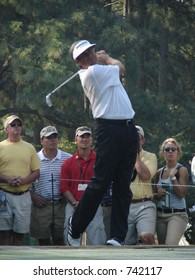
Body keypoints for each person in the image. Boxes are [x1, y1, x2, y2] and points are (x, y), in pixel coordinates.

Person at [67, 39, 138, 246]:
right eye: (83, 56)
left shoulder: (100, 70)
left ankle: (117, 236)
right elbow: (121, 67)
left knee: (123, 184)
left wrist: (103, 61)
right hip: (108, 129)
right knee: (101, 182)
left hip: (128, 128)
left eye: (90, 51)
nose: (89, 55)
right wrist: (106, 58)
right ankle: (76, 225)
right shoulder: (92, 73)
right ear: (79, 63)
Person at [60, 126, 106, 245]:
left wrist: (90, 203)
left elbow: (104, 184)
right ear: (76, 139)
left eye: (87, 136)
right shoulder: (68, 163)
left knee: (97, 241)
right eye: (82, 137)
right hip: (73, 205)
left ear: (91, 139)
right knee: (71, 241)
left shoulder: (100, 160)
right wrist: (75, 203)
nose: (84, 139)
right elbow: (64, 187)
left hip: (94, 206)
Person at [0, 115, 40, 245]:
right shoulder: (1, 147)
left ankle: (18, 263)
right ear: (6, 129)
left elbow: (36, 172)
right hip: (3, 196)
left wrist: (24, 181)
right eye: (13, 125)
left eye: (19, 125)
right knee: (4, 234)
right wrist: (7, 179)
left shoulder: (29, 148)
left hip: (23, 196)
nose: (17, 127)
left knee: (20, 234)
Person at [30, 126, 72, 245]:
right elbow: (27, 183)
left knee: (60, 239)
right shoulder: (34, 159)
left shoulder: (67, 158)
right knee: (43, 240)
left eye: (55, 137)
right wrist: (33, 197)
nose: (52, 140)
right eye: (48, 138)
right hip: (41, 205)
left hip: (61, 205)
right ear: (41, 141)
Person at [125, 125, 157, 245]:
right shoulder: (121, 156)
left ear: (142, 140)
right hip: (125, 205)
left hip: (144, 204)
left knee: (147, 237)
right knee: (125, 244)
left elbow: (145, 175)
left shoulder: (150, 156)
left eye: (137, 138)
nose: (134, 140)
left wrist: (134, 154)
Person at [153, 138, 189, 245]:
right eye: (167, 149)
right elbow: (154, 196)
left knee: (170, 246)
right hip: (161, 215)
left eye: (173, 149)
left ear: (177, 152)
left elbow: (182, 193)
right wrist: (158, 195)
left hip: (177, 214)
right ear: (163, 152)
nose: (170, 152)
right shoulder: (159, 172)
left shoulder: (182, 170)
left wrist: (173, 178)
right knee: (162, 249)